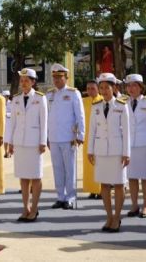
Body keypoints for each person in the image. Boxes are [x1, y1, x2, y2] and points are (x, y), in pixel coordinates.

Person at [87, 72, 130, 233]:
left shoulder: (121, 105)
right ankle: (109, 216)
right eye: (102, 88)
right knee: (104, 185)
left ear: (114, 88)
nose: (104, 91)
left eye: (107, 88)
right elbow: (92, 130)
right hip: (100, 151)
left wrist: (127, 153)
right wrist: (90, 150)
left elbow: (126, 132)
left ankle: (117, 217)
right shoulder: (96, 106)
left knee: (119, 184)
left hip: (117, 151)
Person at [6, 68, 48, 222]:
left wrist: (43, 141)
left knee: (36, 177)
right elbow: (13, 123)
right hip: (20, 142)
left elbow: (44, 122)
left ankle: (35, 208)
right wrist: (10, 142)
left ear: (33, 82)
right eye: (21, 80)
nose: (23, 83)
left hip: (34, 142)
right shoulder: (16, 99)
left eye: (26, 80)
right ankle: (25, 208)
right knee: (23, 177)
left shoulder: (40, 98)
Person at [46, 63, 86, 210]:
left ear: (66, 77)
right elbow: (47, 118)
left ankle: (70, 197)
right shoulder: (49, 94)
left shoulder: (73, 93)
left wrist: (81, 134)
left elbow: (80, 115)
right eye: (54, 77)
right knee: (57, 168)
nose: (56, 80)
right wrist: (46, 137)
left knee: (70, 169)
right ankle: (60, 197)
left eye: (59, 77)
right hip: (54, 137)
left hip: (69, 137)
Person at [124, 73, 146, 218]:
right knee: (132, 178)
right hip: (129, 145)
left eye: (134, 85)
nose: (131, 88)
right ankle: (134, 205)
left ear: (140, 87)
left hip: (145, 144)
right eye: (129, 86)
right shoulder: (123, 102)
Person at [82, 80, 102, 199]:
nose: (90, 91)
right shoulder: (84, 101)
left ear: (98, 89)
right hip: (87, 137)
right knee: (89, 164)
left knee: (99, 164)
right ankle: (92, 189)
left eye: (92, 88)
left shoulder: (102, 101)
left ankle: (100, 189)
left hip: (100, 137)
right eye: (88, 88)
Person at [3, 90, 13, 158]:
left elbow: (13, 113)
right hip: (3, 122)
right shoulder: (1, 103)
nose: (5, 97)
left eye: (6, 96)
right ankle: (5, 152)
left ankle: (9, 152)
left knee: (9, 138)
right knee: (4, 139)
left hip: (9, 122)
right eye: (4, 96)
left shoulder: (11, 103)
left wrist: (6, 114)